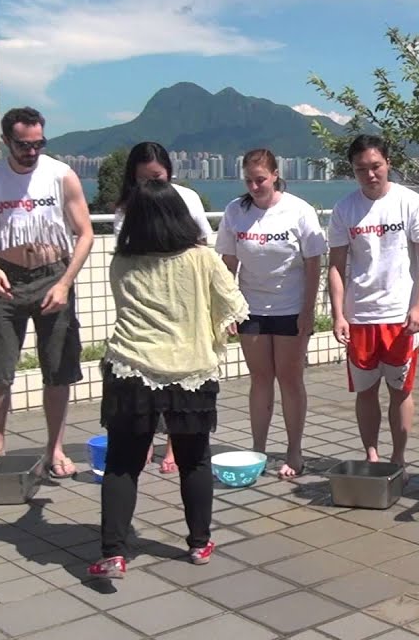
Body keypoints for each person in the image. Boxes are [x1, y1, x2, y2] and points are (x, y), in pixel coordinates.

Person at [89, 179, 249, 579]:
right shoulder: (202, 258)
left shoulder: (122, 261)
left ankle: (113, 553)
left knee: (122, 464)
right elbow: (234, 307)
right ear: (179, 214)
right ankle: (199, 543)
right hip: (190, 371)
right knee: (194, 460)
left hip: (131, 367)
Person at [0, 107, 94, 482]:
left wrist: (65, 282)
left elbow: (84, 233)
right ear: (7, 140)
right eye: (24, 145)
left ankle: (54, 447)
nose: (32, 152)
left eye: (39, 144)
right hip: (8, 277)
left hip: (54, 273)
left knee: (57, 368)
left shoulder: (60, 175)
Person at [327, 135, 419, 469]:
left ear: (388, 163)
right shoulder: (345, 209)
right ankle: (371, 454)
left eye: (376, 166)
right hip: (360, 314)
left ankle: (399, 458)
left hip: (400, 315)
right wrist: (338, 314)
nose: (370, 174)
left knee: (401, 390)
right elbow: (335, 264)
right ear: (353, 171)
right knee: (365, 391)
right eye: (361, 169)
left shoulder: (410, 202)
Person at [215, 149, 326, 478]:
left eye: (260, 179)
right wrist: (229, 308)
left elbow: (313, 263)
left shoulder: (298, 210)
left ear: (276, 175)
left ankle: (294, 450)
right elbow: (228, 264)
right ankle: (258, 449)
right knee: (260, 379)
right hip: (252, 310)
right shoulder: (236, 211)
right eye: (248, 180)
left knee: (290, 379)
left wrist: (308, 312)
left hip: (290, 307)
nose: (254, 186)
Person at [113, 141, 214, 475]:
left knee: (181, 382)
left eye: (156, 177)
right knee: (145, 379)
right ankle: (142, 446)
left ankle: (174, 446)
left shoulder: (187, 198)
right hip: (145, 306)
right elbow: (124, 253)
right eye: (143, 179)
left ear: (169, 172)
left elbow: (203, 242)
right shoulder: (126, 207)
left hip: (183, 304)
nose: (151, 185)